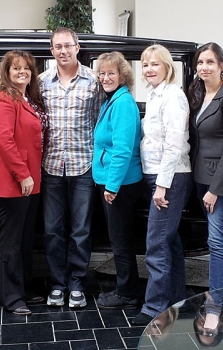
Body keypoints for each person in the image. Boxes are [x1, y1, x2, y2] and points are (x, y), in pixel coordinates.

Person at [39, 27, 102, 309]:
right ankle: (56, 284)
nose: (63, 51)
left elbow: (100, 122)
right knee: (52, 230)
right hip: (50, 166)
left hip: (83, 166)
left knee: (81, 231)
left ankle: (77, 283)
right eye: (58, 47)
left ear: (77, 47)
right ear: (52, 51)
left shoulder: (93, 81)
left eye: (68, 45)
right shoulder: (41, 82)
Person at [187, 42, 223, 331]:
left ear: (222, 64)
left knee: (215, 240)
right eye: (200, 63)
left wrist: (216, 189)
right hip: (200, 176)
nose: (204, 67)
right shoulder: (198, 93)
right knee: (220, 235)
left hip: (220, 180)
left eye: (210, 62)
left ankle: (215, 304)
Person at [132, 44, 192, 326]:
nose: (149, 69)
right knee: (171, 241)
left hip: (170, 176)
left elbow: (173, 145)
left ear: (168, 67)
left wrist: (162, 186)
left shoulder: (174, 96)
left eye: (155, 64)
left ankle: (155, 306)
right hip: (156, 174)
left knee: (156, 243)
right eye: (145, 65)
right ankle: (177, 297)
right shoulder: (155, 95)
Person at [0, 50, 48, 316]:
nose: (22, 72)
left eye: (26, 68)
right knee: (10, 241)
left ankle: (23, 288)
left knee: (25, 238)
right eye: (16, 68)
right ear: (6, 72)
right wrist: (22, 174)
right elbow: (4, 140)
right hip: (14, 180)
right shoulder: (3, 98)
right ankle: (10, 297)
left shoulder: (29, 98)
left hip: (31, 179)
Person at [92, 52, 142, 309]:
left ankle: (127, 293)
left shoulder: (122, 103)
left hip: (120, 184)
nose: (105, 77)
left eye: (111, 72)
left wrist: (111, 186)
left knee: (120, 239)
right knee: (118, 237)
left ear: (122, 75)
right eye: (102, 73)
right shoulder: (112, 100)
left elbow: (122, 149)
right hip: (113, 180)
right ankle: (126, 286)